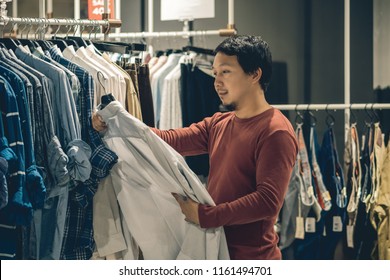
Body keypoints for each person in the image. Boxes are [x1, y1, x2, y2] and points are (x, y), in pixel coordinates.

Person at [92, 35, 298, 260]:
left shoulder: (275, 131)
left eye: (226, 72)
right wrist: (115, 123)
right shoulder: (220, 123)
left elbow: (267, 201)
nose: (217, 82)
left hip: (253, 258)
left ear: (255, 74)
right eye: (215, 73)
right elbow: (170, 139)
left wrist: (206, 216)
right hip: (217, 250)